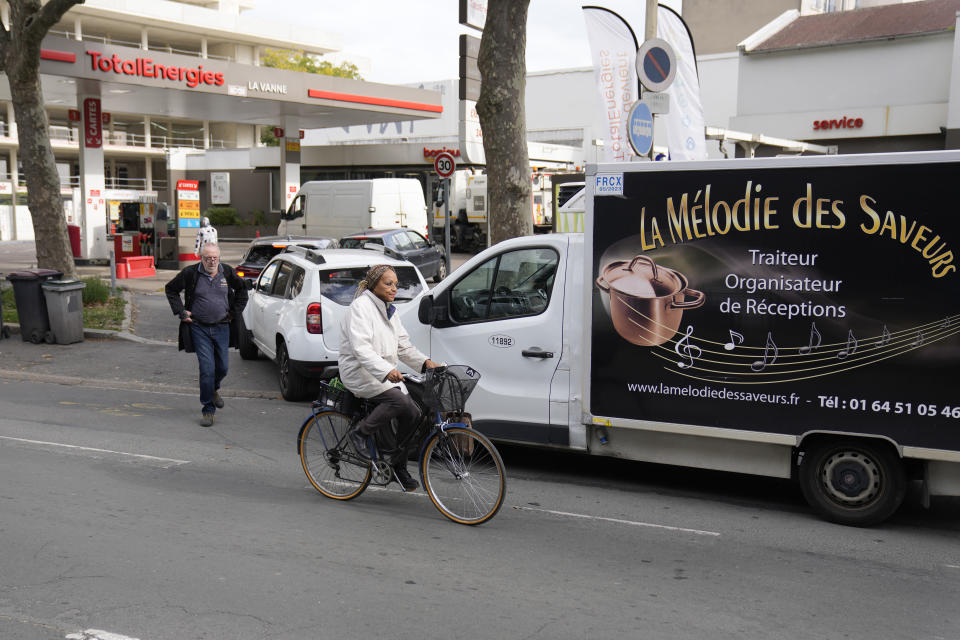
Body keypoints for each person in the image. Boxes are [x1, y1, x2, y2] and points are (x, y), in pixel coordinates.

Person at [339, 264, 439, 491]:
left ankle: (397, 463)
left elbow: (403, 346)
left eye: (396, 284)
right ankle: (360, 433)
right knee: (400, 401)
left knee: (413, 412)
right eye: (388, 283)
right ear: (374, 284)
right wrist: (386, 370)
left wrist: (425, 363)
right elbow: (361, 349)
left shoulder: (389, 310)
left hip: (382, 374)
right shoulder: (360, 308)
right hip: (359, 372)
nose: (394, 288)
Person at [165, 242, 248, 427]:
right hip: (199, 328)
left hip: (222, 327)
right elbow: (171, 289)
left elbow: (243, 291)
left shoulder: (226, 272)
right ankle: (208, 409)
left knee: (223, 368)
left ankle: (214, 389)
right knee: (207, 369)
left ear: (219, 258)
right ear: (201, 258)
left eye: (215, 258)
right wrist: (181, 312)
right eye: (208, 258)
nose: (212, 261)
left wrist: (233, 313)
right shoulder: (191, 273)